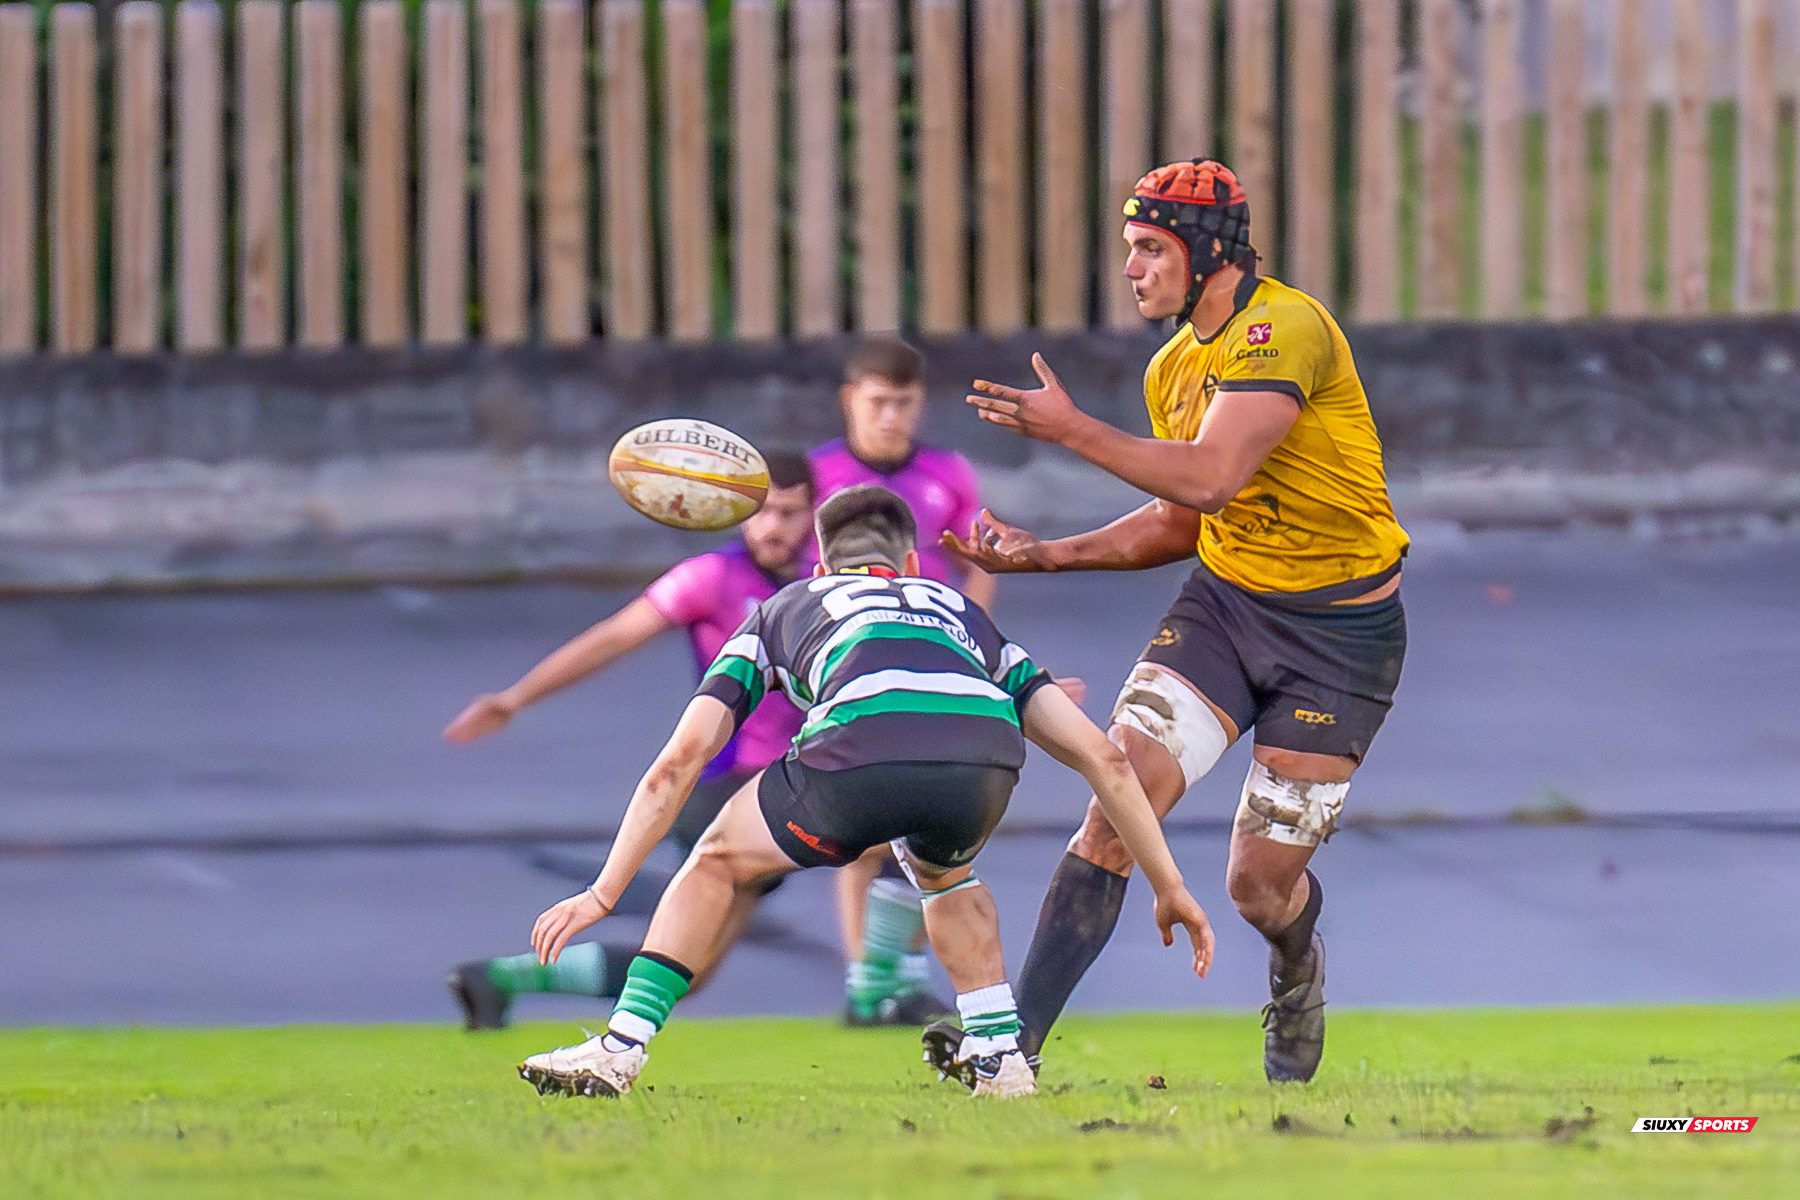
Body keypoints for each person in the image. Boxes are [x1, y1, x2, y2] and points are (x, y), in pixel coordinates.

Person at [938, 160, 1409, 1084]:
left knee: (1255, 887)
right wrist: (1046, 554)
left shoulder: (1285, 326)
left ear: (1208, 257)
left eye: (1150, 249)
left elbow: (1210, 477)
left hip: (1340, 641)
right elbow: (1185, 524)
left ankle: (1295, 964)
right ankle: (1010, 1053)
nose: (1132, 269)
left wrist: (1071, 431)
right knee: (1115, 800)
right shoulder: (1172, 368)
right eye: (1130, 249)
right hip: (1228, 610)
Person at [517, 486, 1214, 1100]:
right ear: (912, 565)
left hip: (855, 763)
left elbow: (680, 761)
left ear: (821, 566)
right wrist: (1169, 883)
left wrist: (604, 891)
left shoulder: (785, 605)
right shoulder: (962, 612)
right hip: (983, 768)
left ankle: (618, 1050)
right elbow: (1104, 759)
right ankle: (1001, 1058)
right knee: (945, 872)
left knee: (718, 857)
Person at [439, 451, 817, 1030]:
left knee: (687, 971)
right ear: (736, 511)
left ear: (813, 514)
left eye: (789, 513)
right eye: (762, 511)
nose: (773, 526)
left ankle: (499, 978)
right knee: (889, 827)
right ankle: (883, 993)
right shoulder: (712, 577)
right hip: (727, 790)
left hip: (776, 784)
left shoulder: (821, 584)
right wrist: (514, 699)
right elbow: (614, 637)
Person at [810, 337, 1002, 1027]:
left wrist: (971, 640)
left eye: (905, 402)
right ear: (850, 400)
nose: (892, 416)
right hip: (850, 668)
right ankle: (870, 980)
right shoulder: (818, 475)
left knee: (933, 828)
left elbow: (978, 560)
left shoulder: (948, 475)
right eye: (878, 401)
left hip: (930, 662)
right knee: (860, 838)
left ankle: (897, 979)